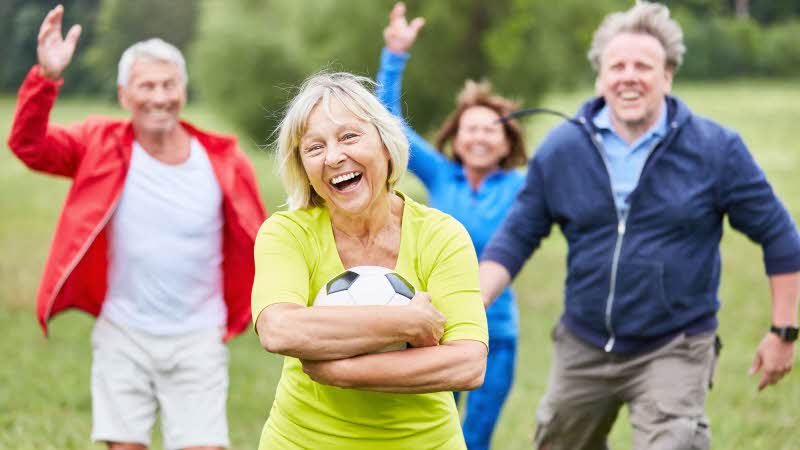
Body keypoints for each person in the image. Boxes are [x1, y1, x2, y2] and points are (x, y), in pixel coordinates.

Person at [478, 2, 800, 449]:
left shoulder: (716, 149)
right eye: (618, 65)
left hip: (675, 344)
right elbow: (515, 237)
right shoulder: (562, 150)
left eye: (643, 66)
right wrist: (471, 304)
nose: (629, 75)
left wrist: (784, 331)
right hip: (584, 343)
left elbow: (780, 236)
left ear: (667, 76)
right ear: (601, 77)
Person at [7, 5, 266, 450]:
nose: (159, 97)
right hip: (124, 332)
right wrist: (45, 79)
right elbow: (29, 146)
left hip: (199, 335)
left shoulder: (222, 161)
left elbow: (260, 238)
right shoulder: (99, 144)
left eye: (169, 85)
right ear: (125, 95)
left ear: (183, 90)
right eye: (146, 86)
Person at [251, 72, 489, 450]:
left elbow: (467, 364)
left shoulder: (442, 235)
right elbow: (279, 329)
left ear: (385, 143)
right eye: (314, 148)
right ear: (303, 168)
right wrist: (408, 322)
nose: (333, 157)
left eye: (349, 136)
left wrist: (341, 371)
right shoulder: (286, 234)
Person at [374, 3, 528, 449]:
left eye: (490, 130)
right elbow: (388, 121)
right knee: (426, 435)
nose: (479, 136)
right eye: (470, 128)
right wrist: (394, 56)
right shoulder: (441, 174)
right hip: (436, 330)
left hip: (496, 335)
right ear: (456, 137)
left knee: (475, 438)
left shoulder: (524, 186)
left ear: (506, 142)